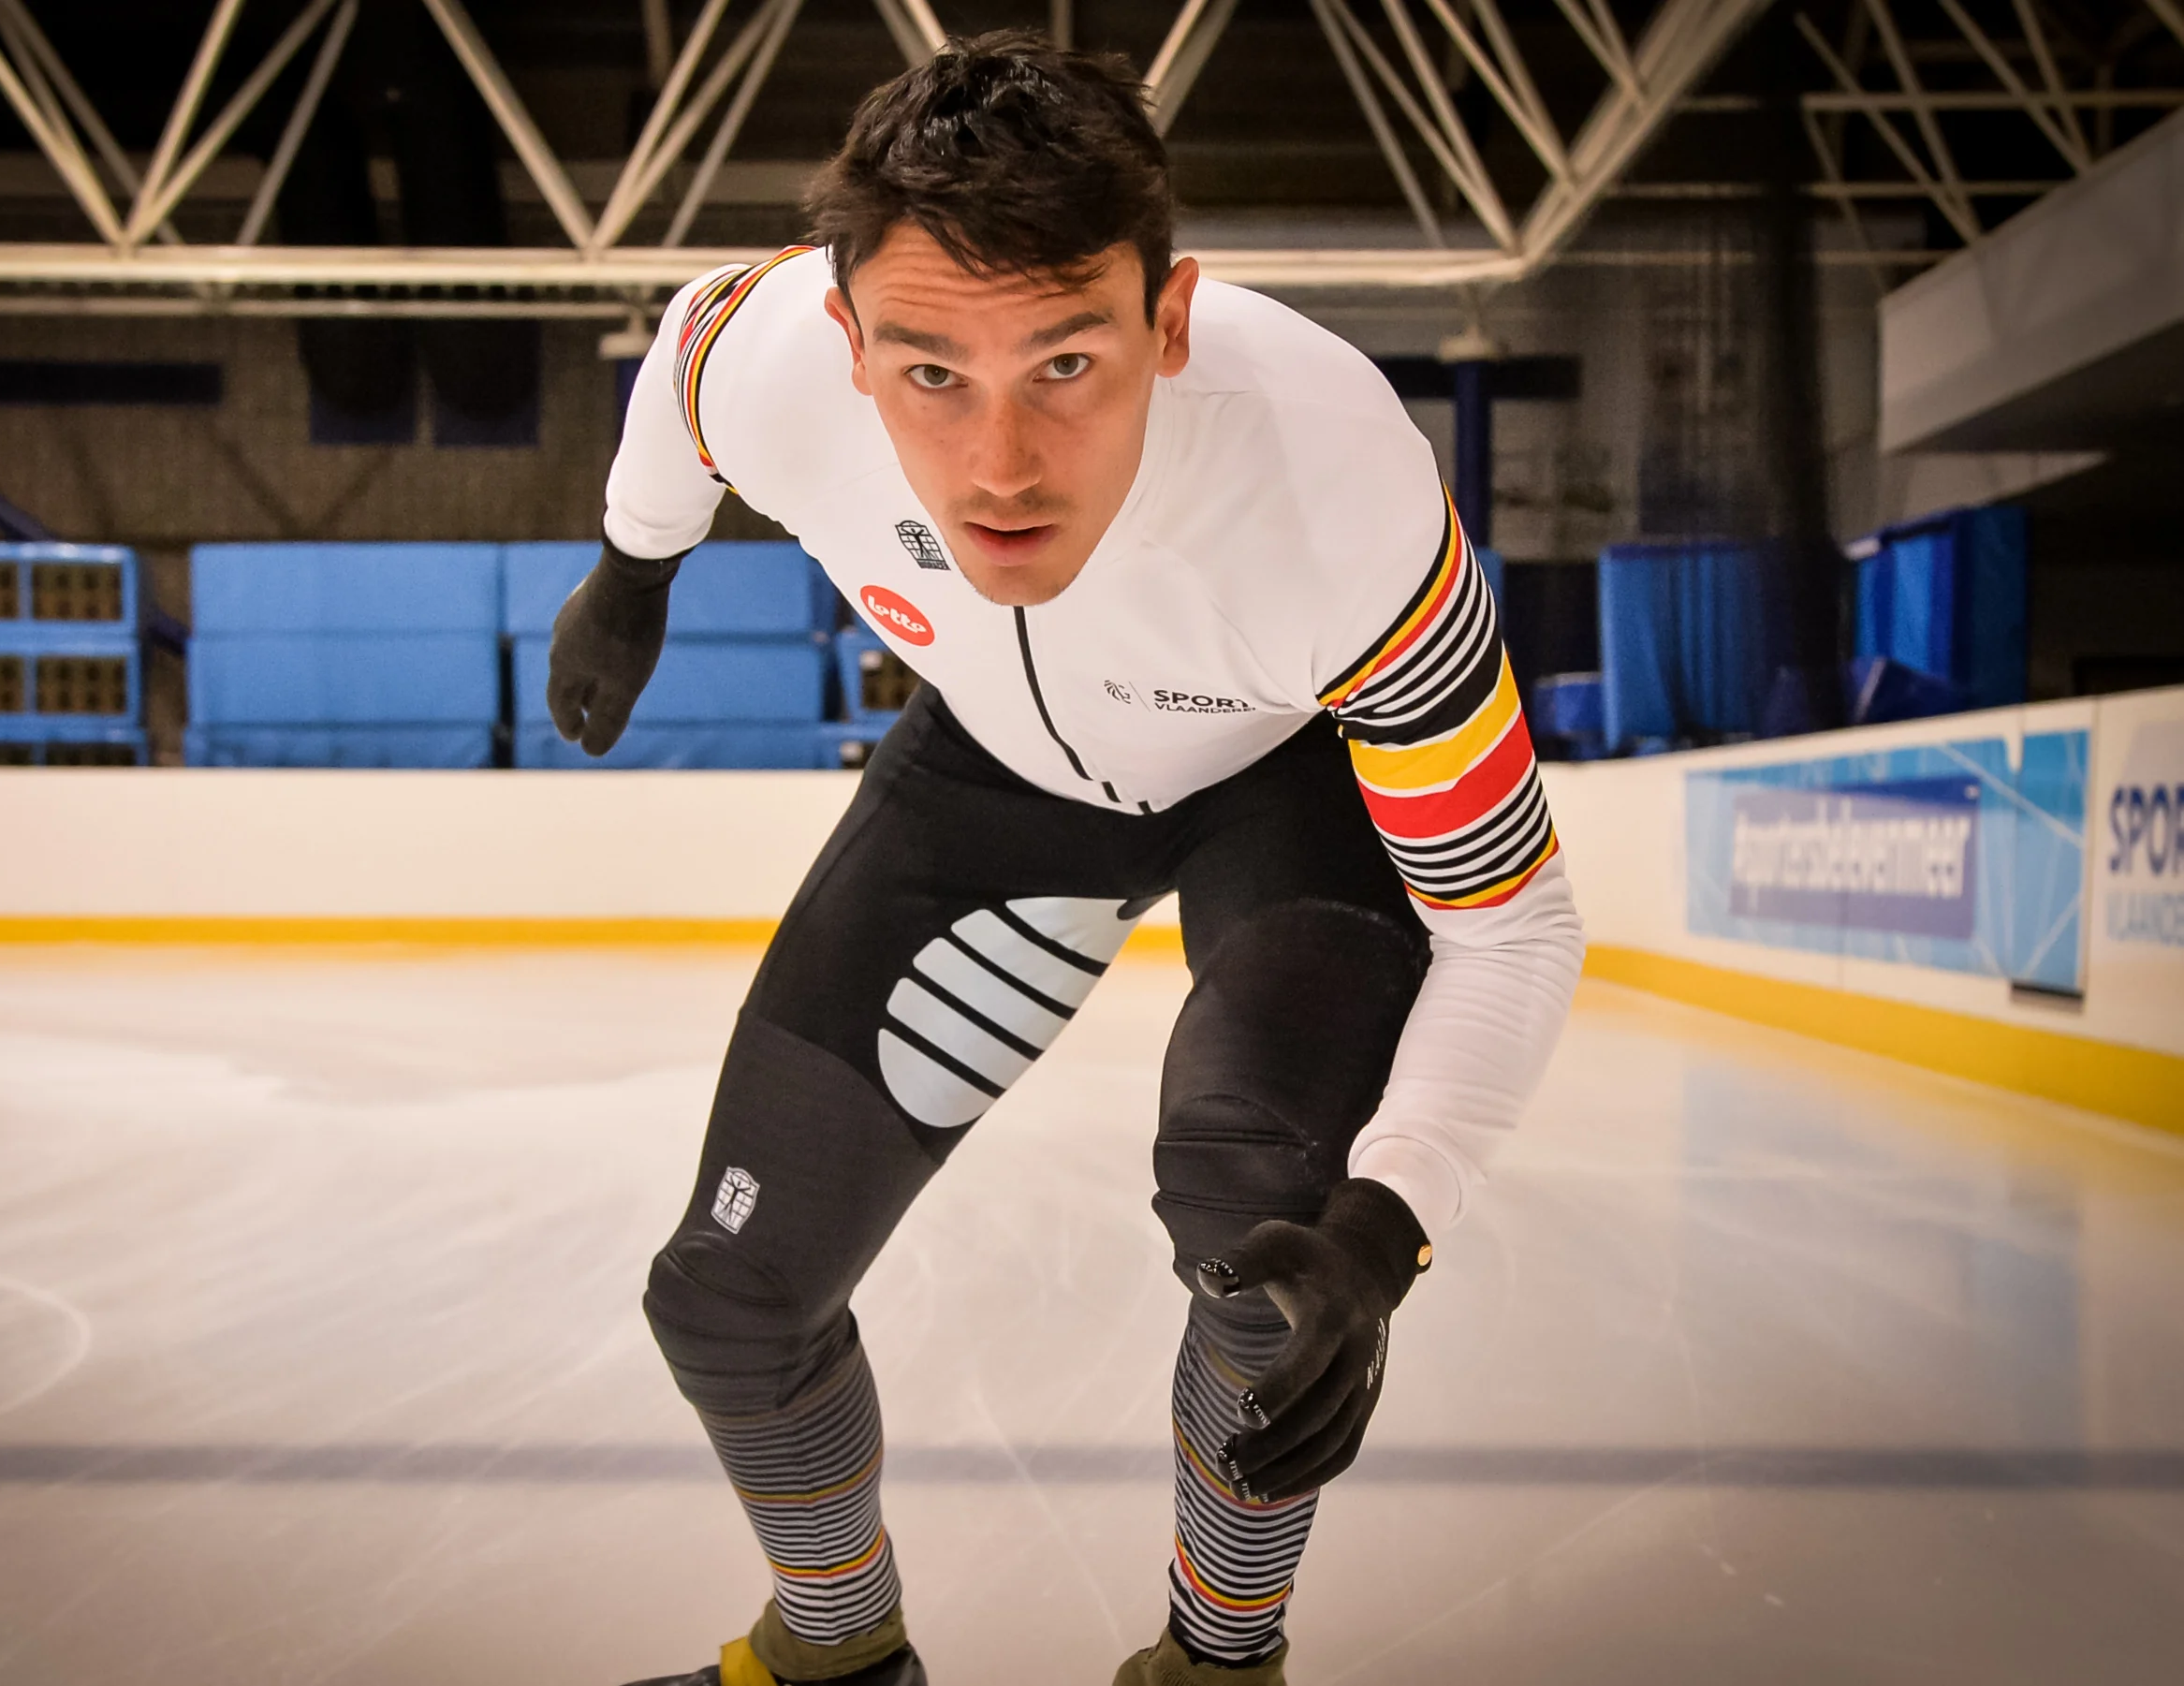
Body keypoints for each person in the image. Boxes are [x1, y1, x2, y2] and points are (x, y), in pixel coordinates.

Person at [549, 32, 1583, 1686]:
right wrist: (632, 569)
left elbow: (1514, 931)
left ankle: (1218, 1659)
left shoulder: (1339, 489)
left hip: (1280, 774)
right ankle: (838, 1653)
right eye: (930, 375)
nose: (1001, 467)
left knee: (1267, 1261)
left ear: (1170, 324)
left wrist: (1384, 1231)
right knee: (729, 1301)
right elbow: (682, 350)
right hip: (998, 774)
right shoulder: (769, 368)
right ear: (845, 339)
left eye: (1069, 363)